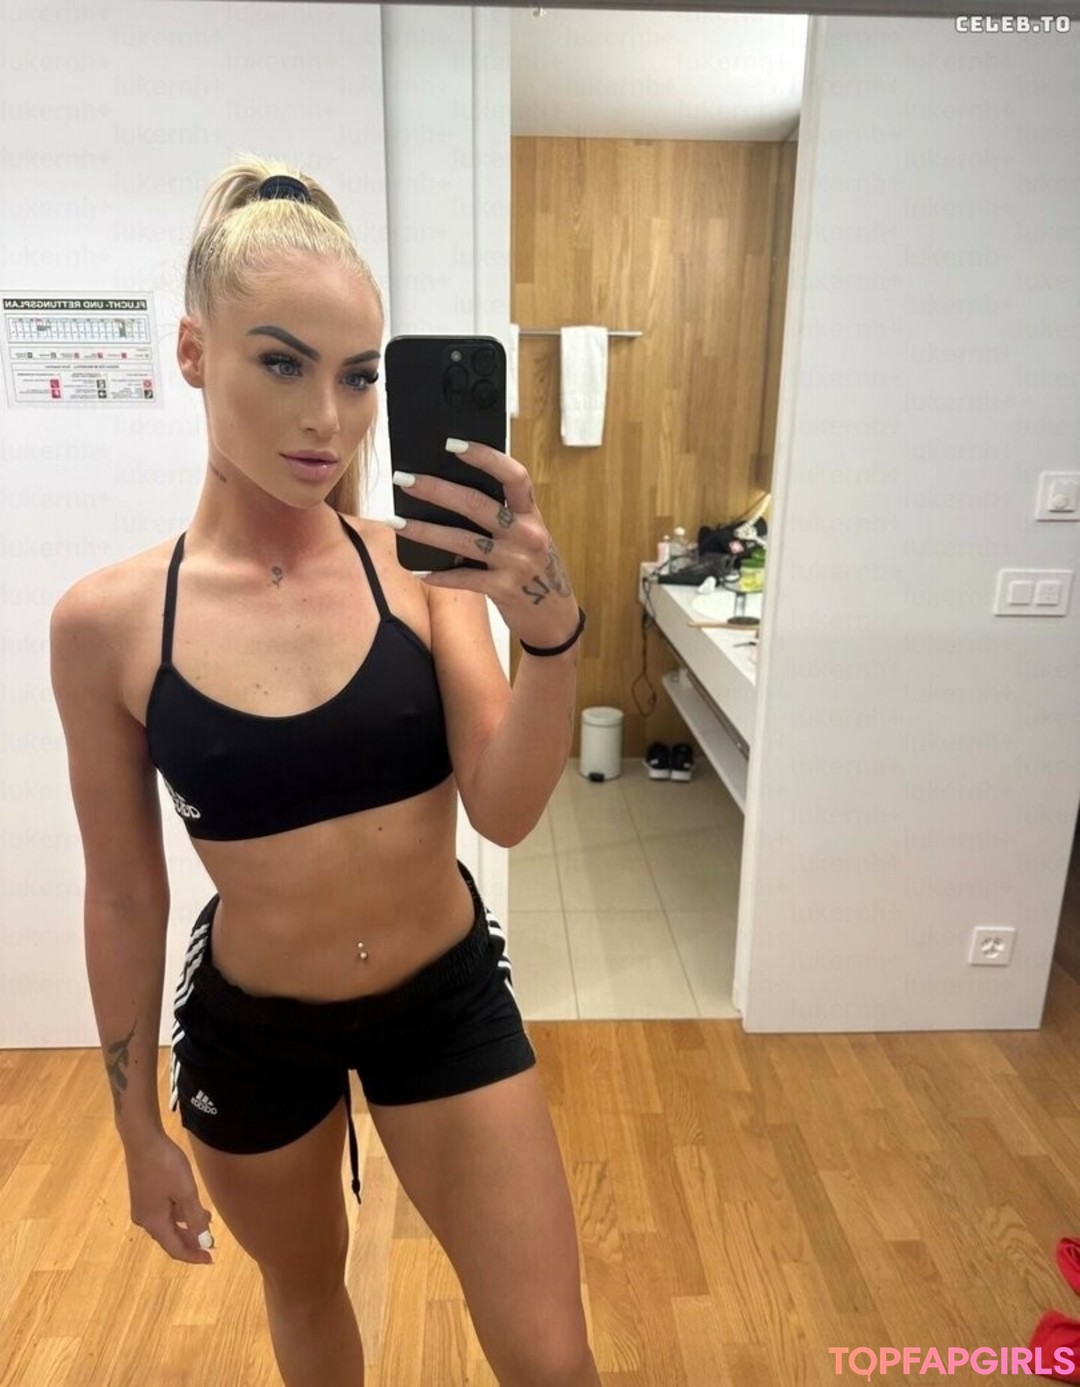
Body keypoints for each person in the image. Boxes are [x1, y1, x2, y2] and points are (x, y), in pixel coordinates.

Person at [49, 155, 600, 1387]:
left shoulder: (420, 569)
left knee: (554, 1361)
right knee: (306, 1295)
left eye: (358, 375)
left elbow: (505, 808)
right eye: (283, 363)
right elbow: (124, 892)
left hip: (442, 1003)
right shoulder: (108, 624)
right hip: (254, 1036)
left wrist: (552, 638)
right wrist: (134, 1127)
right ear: (195, 353)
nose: (328, 419)